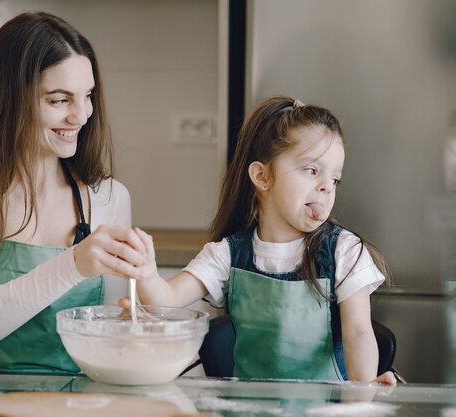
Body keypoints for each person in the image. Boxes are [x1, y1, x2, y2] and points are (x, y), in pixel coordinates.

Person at [0, 11, 145, 373]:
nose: (81, 115)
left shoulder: (109, 198)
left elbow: (112, 327)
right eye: (58, 100)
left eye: (87, 96)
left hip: (72, 395)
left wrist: (135, 320)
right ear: (9, 99)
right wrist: (72, 264)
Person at [127, 96, 397, 384]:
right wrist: (145, 272)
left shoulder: (343, 251)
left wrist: (363, 394)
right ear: (262, 176)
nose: (326, 188)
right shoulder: (228, 254)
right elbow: (165, 300)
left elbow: (358, 332)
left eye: (335, 179)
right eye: (312, 170)